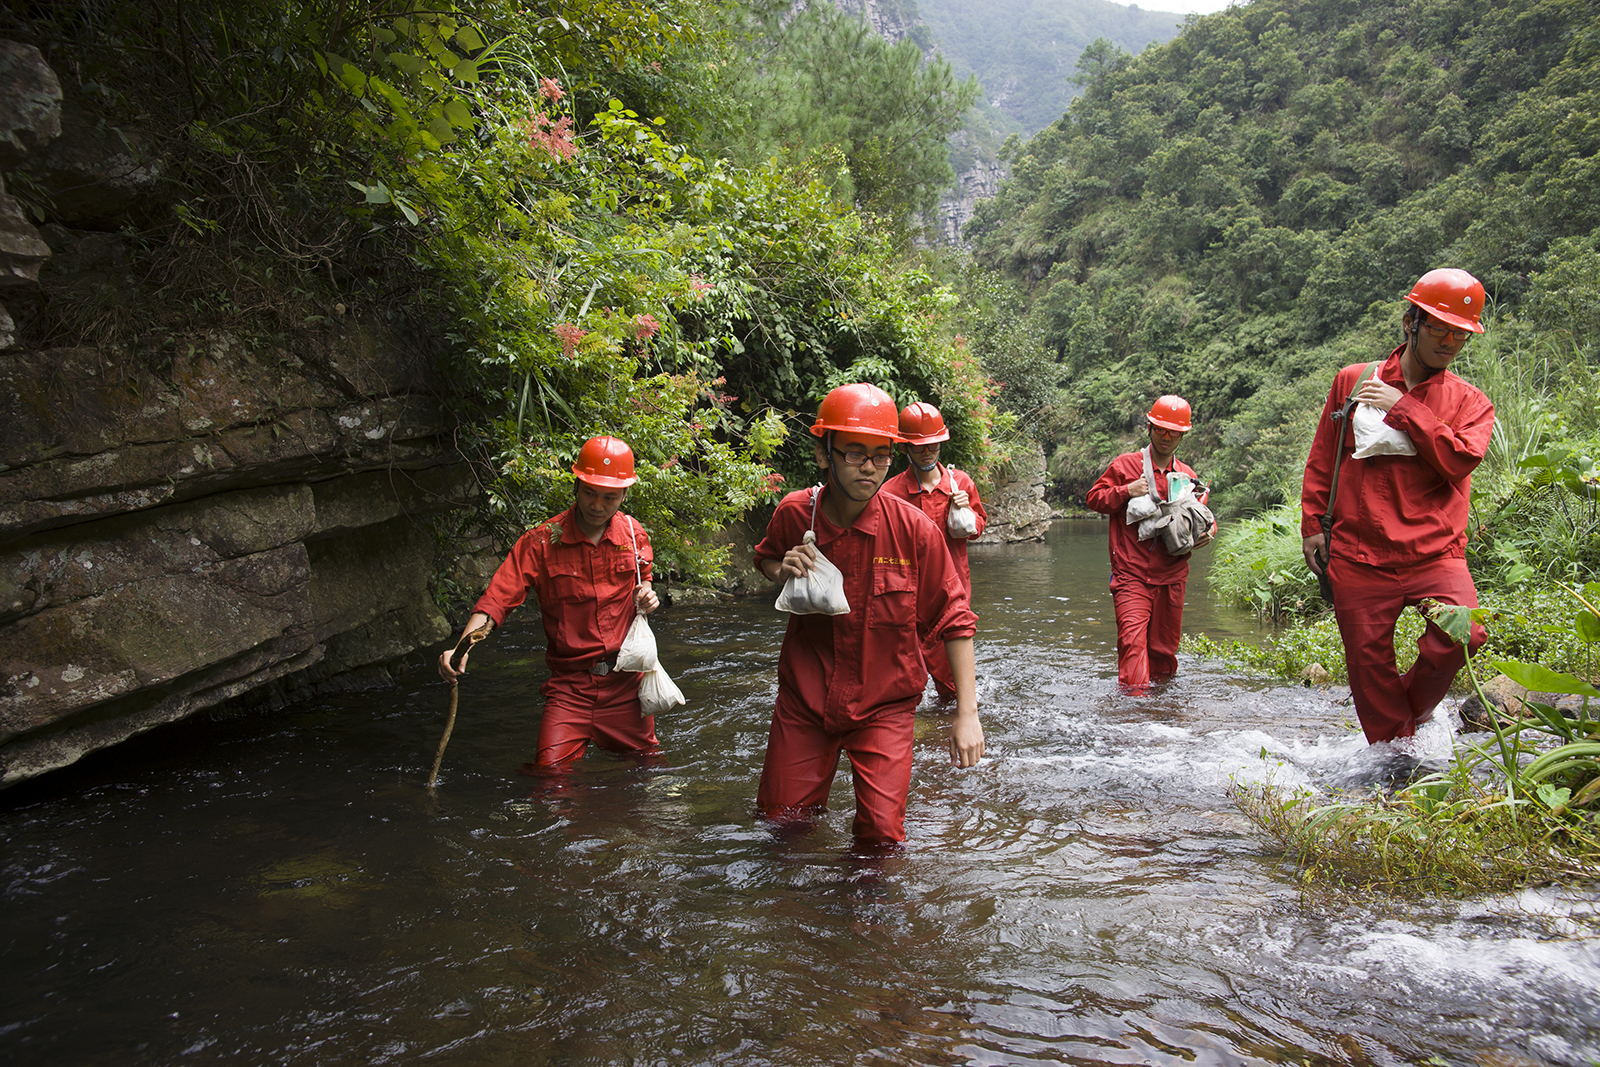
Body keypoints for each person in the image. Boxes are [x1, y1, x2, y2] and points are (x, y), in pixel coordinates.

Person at [753, 383, 984, 846]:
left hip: (886, 705)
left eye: (880, 455)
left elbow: (955, 618)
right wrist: (784, 569)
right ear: (825, 453)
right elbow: (766, 558)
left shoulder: (914, 531)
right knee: (782, 825)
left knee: (880, 838)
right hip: (805, 701)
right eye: (855, 453)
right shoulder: (796, 513)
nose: (869, 466)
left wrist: (967, 712)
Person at [1301, 268, 1494, 744]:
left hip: (1436, 551)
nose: (1449, 341)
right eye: (1439, 329)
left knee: (1462, 635)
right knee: (1368, 665)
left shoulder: (1471, 402)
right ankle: (1395, 761)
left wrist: (1401, 407)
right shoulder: (1353, 380)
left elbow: (1458, 459)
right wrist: (1311, 524)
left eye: (1460, 334)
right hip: (1359, 552)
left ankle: (1411, 717)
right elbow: (1325, 455)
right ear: (1411, 322)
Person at [438, 435, 661, 769]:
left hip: (625, 684)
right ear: (577, 484)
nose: (597, 505)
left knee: (646, 773)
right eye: (589, 492)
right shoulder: (541, 542)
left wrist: (647, 597)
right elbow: (498, 598)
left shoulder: (633, 535)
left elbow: (644, 583)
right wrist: (463, 646)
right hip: (569, 688)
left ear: (625, 494)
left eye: (609, 497)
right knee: (549, 777)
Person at [1086, 395, 1209, 694]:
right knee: (1132, 645)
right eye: (1160, 429)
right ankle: (1133, 716)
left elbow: (1202, 519)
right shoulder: (1125, 465)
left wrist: (1205, 531)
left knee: (1164, 652)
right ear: (1150, 427)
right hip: (1131, 575)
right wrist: (1126, 490)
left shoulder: (1188, 476)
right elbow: (1094, 499)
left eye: (1173, 432)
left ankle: (1163, 713)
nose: (1166, 437)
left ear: (1182, 435)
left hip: (1173, 577)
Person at [880, 401, 988, 699]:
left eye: (933, 445)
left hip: (951, 596)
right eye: (919, 447)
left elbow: (978, 528)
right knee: (901, 680)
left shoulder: (961, 483)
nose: (927, 452)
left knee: (953, 687)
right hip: (904, 599)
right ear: (904, 449)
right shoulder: (889, 492)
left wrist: (967, 511)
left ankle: (950, 725)